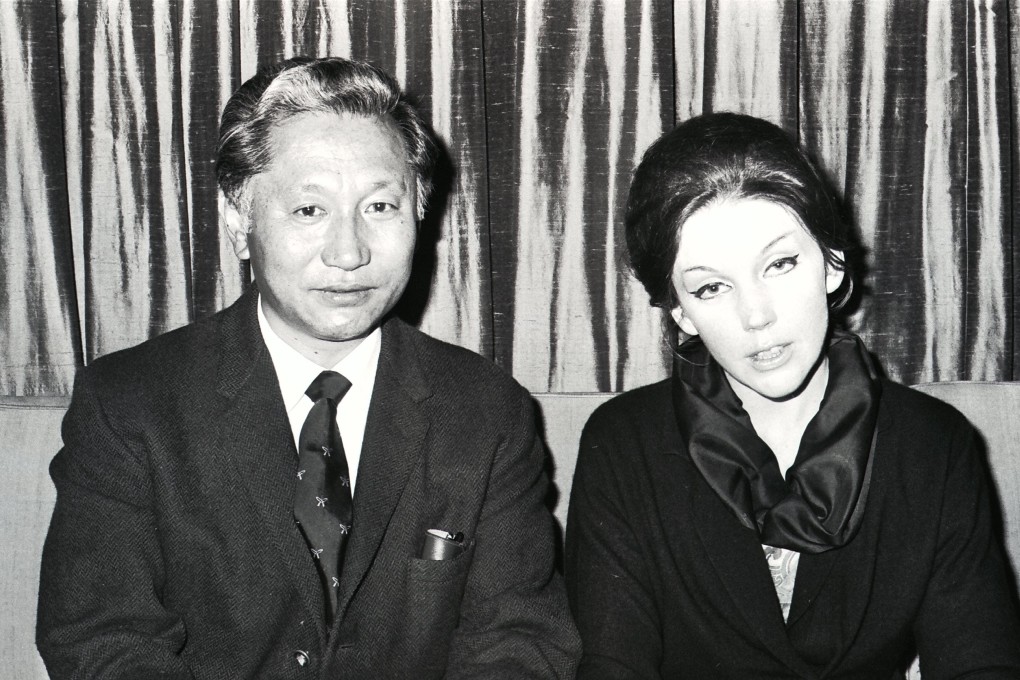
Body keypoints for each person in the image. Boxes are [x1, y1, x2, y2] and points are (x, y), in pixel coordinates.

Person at [37, 56, 579, 679]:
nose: (349, 254)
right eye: (308, 211)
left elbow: (518, 641)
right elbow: (102, 639)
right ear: (240, 224)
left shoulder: (486, 410)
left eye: (380, 207)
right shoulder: (129, 404)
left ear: (420, 216)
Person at [564, 112, 1020, 678]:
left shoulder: (933, 445)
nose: (757, 315)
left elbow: (980, 665)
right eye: (712, 287)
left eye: (780, 264)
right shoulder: (624, 444)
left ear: (831, 265)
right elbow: (612, 665)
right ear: (681, 311)